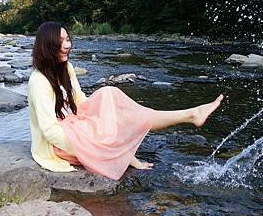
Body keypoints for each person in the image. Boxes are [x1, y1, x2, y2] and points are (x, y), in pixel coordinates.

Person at [27, 21, 224, 180]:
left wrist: (104, 117)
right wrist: (94, 145)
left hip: (73, 125)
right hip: (58, 143)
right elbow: (50, 131)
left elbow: (81, 103)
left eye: (68, 39)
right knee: (106, 122)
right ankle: (190, 115)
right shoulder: (39, 81)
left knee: (109, 95)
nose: (68, 45)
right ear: (47, 46)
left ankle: (191, 114)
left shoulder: (66, 67)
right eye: (61, 41)